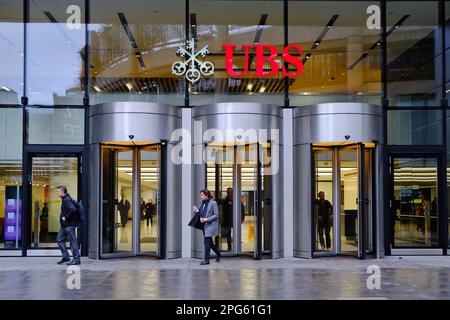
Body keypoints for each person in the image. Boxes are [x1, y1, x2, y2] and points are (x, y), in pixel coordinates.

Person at [192, 188, 220, 265]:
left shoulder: (213, 203)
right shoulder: (203, 203)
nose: (200, 196)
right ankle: (219, 254)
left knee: (207, 242)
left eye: (202, 195)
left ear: (206, 195)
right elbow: (201, 213)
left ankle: (207, 260)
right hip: (204, 226)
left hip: (209, 225)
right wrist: (197, 210)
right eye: (200, 195)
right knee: (210, 243)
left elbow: (216, 215)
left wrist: (207, 219)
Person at [56, 186, 80, 265]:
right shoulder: (65, 199)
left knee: (73, 242)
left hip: (69, 225)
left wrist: (65, 217)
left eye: (58, 191)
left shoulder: (67, 200)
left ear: (63, 192)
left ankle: (76, 259)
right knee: (59, 239)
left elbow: (73, 209)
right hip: (65, 225)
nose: (57, 193)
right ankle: (66, 257)